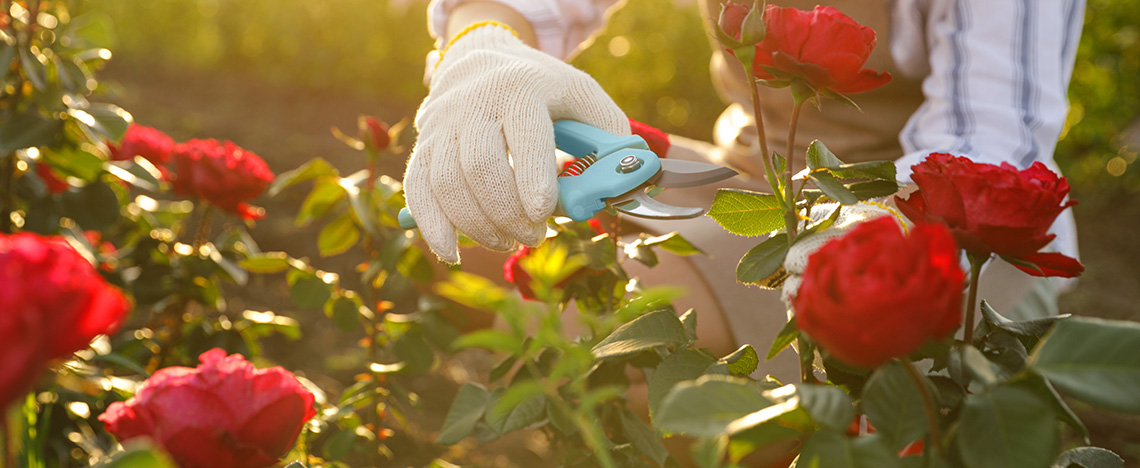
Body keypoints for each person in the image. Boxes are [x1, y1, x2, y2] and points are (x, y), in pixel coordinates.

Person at [406, 0, 1085, 380]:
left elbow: (989, 156)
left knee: (639, 352)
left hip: (946, 238)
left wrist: (845, 254)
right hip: (758, 181)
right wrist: (484, 42)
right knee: (514, 253)